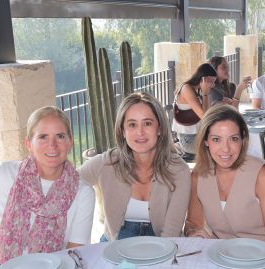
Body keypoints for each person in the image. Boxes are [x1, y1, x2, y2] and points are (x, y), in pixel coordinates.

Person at [0, 106, 95, 268]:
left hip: (49, 266)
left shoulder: (83, 193)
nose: (52, 145)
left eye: (60, 136)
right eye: (43, 137)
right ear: (28, 143)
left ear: (70, 142)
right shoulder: (3, 174)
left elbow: (74, 251)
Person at [79, 92, 191, 241]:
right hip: (113, 245)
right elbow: (66, 183)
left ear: (160, 129)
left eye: (147, 123)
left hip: (161, 245)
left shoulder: (179, 170)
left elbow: (171, 233)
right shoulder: (106, 163)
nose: (140, 132)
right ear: (123, 131)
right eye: (132, 124)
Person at [184, 105, 265, 248]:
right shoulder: (199, 175)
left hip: (262, 260)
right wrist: (193, 233)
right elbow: (193, 223)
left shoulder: (262, 176)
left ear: (243, 140)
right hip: (220, 258)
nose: (226, 149)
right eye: (216, 139)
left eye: (233, 139)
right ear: (205, 141)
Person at [172, 63, 217, 155]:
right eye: (211, 82)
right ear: (202, 79)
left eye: (214, 82)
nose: (212, 85)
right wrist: (205, 92)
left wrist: (205, 93)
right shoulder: (186, 89)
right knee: (218, 148)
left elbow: (207, 112)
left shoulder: (196, 90)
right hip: (189, 139)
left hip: (198, 135)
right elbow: (204, 116)